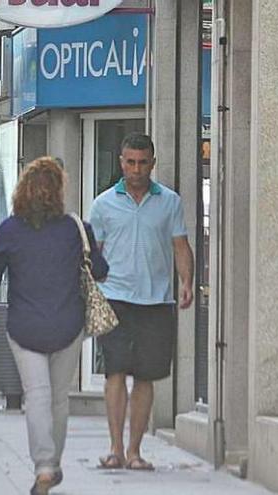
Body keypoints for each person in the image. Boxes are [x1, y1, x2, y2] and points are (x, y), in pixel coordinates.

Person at [0, 157, 109, 495]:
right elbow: (101, 270)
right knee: (58, 399)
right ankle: (54, 463)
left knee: (36, 396)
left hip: (24, 327)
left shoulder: (9, 230)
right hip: (68, 325)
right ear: (59, 191)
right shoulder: (75, 228)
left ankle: (44, 466)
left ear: (23, 190)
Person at [89, 133, 194, 471]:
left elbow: (180, 246)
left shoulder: (170, 202)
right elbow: (94, 255)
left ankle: (135, 451)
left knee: (146, 376)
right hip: (114, 298)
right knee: (115, 372)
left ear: (152, 163)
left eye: (142, 162)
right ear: (121, 163)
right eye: (130, 162)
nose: (136, 169)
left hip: (156, 301)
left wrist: (187, 282)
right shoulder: (103, 204)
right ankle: (116, 449)